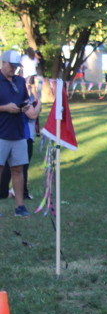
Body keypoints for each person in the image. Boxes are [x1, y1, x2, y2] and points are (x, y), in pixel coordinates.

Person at [0, 50, 42, 217]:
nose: (14, 69)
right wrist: (4, 108)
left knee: (18, 169)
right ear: (3, 62)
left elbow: (26, 101)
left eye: (16, 66)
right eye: (11, 66)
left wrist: (28, 106)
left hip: (18, 132)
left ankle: (20, 206)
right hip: (1, 132)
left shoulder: (19, 81)